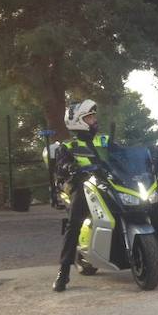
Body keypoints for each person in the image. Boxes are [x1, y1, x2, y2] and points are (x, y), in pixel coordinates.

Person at [52, 99, 110, 292]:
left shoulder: (104, 141)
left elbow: (121, 155)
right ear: (78, 121)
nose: (94, 120)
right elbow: (60, 167)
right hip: (84, 187)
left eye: (93, 116)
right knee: (74, 222)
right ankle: (63, 272)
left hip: (109, 185)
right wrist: (69, 166)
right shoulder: (68, 146)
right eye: (89, 117)